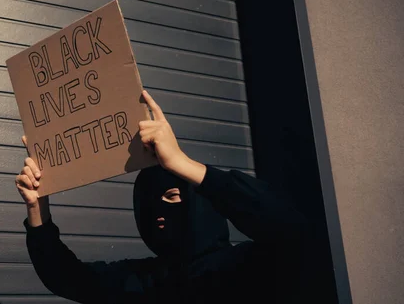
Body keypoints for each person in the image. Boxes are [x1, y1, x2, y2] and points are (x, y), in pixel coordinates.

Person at [16, 90, 311, 304]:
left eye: (172, 196)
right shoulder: (147, 280)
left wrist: (182, 164)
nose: (158, 212)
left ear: (199, 202)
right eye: (149, 203)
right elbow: (69, 278)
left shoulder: (245, 267)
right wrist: (38, 207)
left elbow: (290, 229)